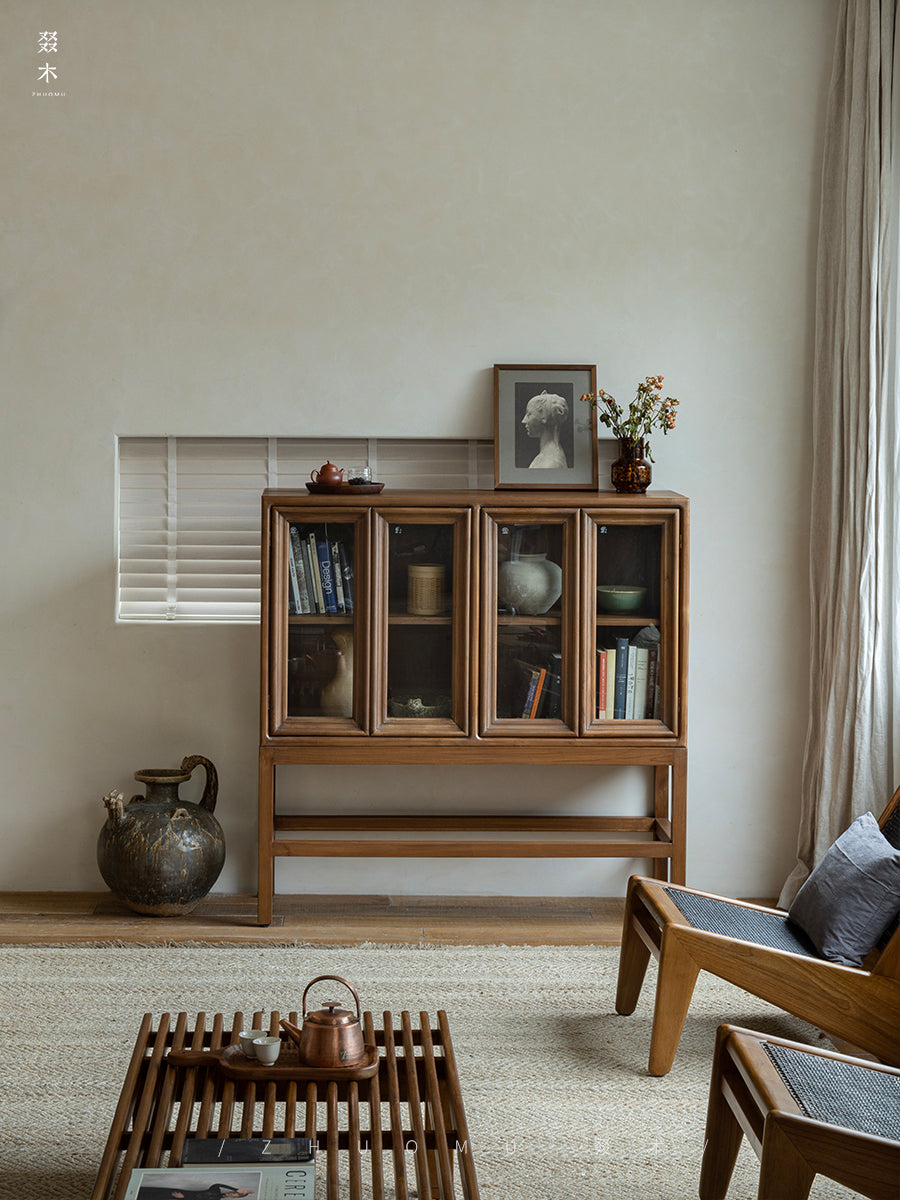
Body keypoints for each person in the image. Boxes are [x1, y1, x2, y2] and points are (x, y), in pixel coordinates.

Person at [520, 390, 569, 468]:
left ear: (544, 417)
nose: (524, 420)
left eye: (529, 414)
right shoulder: (547, 455)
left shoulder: (551, 463)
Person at [137, 1184, 253, 1200]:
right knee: (158, 1191)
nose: (232, 1194)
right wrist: (236, 1189)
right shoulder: (215, 1189)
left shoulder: (216, 1199)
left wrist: (182, 1198)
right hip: (183, 1192)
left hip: (182, 1198)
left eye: (235, 1195)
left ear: (234, 1198)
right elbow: (218, 1184)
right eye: (233, 1192)